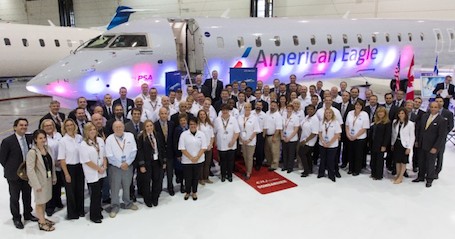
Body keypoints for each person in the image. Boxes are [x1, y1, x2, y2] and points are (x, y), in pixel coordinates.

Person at [0, 118, 38, 229]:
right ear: (15, 127)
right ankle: (16, 218)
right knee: (15, 197)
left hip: (27, 174)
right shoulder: (7, 141)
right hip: (13, 175)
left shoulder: (29, 138)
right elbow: (2, 159)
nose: (24, 127)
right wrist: (11, 168)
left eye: (26, 125)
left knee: (27, 195)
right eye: (21, 125)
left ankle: (27, 213)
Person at [105, 121, 138, 218]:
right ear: (113, 129)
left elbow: (134, 150)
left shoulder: (130, 136)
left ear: (123, 127)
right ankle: (115, 206)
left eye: (120, 127)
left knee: (127, 185)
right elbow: (109, 155)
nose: (119, 129)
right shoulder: (109, 139)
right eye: (116, 127)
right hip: (115, 167)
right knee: (115, 187)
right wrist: (120, 164)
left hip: (128, 165)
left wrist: (127, 162)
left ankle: (128, 203)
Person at [26, 129, 57, 231]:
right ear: (35, 139)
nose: (43, 140)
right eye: (40, 138)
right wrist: (36, 184)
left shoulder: (47, 149)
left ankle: (42, 217)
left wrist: (53, 177)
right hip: (39, 182)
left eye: (44, 137)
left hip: (47, 180)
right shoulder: (32, 152)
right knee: (39, 202)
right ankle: (42, 222)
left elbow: (51, 165)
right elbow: (30, 170)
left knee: (44, 200)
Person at [413, 102, 447, 187]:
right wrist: (417, 140)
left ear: (438, 108)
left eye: (435, 107)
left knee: (430, 163)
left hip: (432, 146)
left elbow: (441, 136)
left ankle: (429, 179)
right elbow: (419, 129)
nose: (433, 109)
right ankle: (420, 176)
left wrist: (435, 147)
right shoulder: (424, 116)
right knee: (421, 161)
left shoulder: (441, 120)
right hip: (421, 144)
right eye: (431, 107)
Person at [79, 123, 107, 224]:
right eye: (90, 130)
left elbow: (104, 154)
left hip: (101, 171)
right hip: (92, 173)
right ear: (86, 132)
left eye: (94, 129)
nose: (93, 131)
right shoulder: (83, 145)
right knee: (95, 194)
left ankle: (98, 209)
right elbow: (86, 160)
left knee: (99, 193)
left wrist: (104, 165)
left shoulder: (100, 140)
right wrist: (98, 168)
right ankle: (94, 216)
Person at [58, 119, 85, 220]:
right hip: (69, 168)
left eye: (71, 125)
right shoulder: (63, 141)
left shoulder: (79, 138)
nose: (70, 127)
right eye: (67, 125)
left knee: (80, 189)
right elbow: (62, 159)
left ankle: (80, 210)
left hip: (79, 167)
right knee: (70, 192)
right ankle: (73, 213)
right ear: (64, 128)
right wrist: (66, 174)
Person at [136, 120, 165, 207]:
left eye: (151, 125)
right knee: (147, 182)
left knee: (157, 180)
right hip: (147, 163)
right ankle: (147, 199)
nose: (149, 128)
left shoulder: (158, 135)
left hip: (157, 161)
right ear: (144, 127)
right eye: (147, 126)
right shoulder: (141, 137)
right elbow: (140, 151)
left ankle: (155, 198)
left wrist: (164, 161)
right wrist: (142, 165)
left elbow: (162, 148)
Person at [178, 118, 207, 200]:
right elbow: (182, 148)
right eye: (191, 124)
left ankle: (194, 192)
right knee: (188, 177)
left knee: (195, 177)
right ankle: (187, 192)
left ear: (197, 125)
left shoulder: (201, 134)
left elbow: (204, 147)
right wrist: (191, 158)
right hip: (187, 161)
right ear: (188, 125)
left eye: (194, 124)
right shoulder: (184, 134)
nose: (192, 126)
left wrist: (197, 157)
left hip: (199, 160)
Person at [40, 119, 63, 216]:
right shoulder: (42, 138)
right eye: (46, 126)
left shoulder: (58, 135)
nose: (49, 127)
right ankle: (50, 206)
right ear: (43, 127)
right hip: (49, 166)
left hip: (60, 164)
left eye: (50, 125)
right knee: (50, 186)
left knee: (58, 184)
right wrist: (54, 162)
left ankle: (58, 201)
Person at [214, 104, 240, 182]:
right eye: (223, 110)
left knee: (230, 160)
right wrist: (216, 143)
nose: (224, 111)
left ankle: (229, 175)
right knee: (222, 160)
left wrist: (233, 141)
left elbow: (237, 132)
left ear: (228, 111)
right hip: (221, 144)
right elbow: (215, 132)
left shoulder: (233, 119)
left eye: (226, 110)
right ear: (221, 111)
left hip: (231, 144)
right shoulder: (217, 120)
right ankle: (223, 175)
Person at [345, 99, 370, 176]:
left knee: (358, 154)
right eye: (356, 105)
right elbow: (347, 125)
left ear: (362, 106)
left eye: (359, 105)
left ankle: (357, 169)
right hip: (350, 137)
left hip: (360, 138)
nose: (358, 106)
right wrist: (348, 134)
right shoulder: (350, 113)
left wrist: (355, 136)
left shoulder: (365, 114)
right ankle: (351, 168)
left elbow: (364, 128)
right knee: (350, 153)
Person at [391, 108, 415, 184]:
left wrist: (409, 147)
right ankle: (397, 175)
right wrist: (392, 144)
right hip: (396, 143)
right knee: (397, 161)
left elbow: (412, 136)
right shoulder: (395, 122)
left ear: (405, 114)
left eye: (402, 113)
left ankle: (401, 176)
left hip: (405, 145)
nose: (400, 115)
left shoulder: (410, 124)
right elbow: (393, 134)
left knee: (403, 161)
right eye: (399, 113)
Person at [154, 108, 175, 195]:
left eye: (165, 113)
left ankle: (170, 187)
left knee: (170, 173)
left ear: (168, 114)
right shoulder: (154, 125)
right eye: (162, 113)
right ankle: (158, 189)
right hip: (160, 154)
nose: (163, 115)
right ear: (159, 114)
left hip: (170, 153)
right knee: (160, 174)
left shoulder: (172, 124)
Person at [238, 103, 261, 179]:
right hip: (242, 140)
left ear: (251, 108)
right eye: (245, 107)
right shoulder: (240, 117)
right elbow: (237, 129)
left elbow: (256, 130)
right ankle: (247, 169)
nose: (247, 108)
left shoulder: (254, 118)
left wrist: (250, 139)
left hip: (251, 141)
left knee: (249, 157)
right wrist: (241, 139)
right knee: (245, 156)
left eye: (248, 107)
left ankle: (248, 172)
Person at [318, 108, 342, 182]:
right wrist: (322, 141)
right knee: (322, 159)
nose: (328, 114)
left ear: (332, 114)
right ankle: (321, 173)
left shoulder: (336, 122)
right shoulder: (322, 122)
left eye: (329, 113)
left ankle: (331, 175)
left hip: (332, 145)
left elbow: (337, 134)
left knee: (331, 160)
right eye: (326, 113)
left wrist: (329, 143)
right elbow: (320, 133)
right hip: (322, 144)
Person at [369, 107, 391, 180]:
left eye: (382, 112)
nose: (380, 113)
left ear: (385, 113)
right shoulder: (375, 121)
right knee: (373, 159)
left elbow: (387, 135)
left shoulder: (387, 123)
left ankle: (378, 175)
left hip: (381, 144)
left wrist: (384, 145)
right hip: (373, 143)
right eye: (379, 112)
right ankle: (373, 173)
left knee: (379, 160)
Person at [298, 104, 319, 177]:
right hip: (303, 139)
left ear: (314, 110)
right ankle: (310, 169)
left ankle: (306, 171)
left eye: (311, 109)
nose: (309, 111)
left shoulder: (315, 119)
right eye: (308, 109)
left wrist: (306, 140)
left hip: (309, 141)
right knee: (308, 155)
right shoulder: (307, 117)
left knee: (301, 153)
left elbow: (314, 133)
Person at [197, 110, 215, 185]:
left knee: (207, 163)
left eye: (203, 114)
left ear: (206, 115)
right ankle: (200, 179)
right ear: (199, 116)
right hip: (201, 148)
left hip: (209, 147)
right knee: (201, 163)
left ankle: (206, 177)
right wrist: (203, 147)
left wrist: (210, 144)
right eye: (201, 114)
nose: (202, 116)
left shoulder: (209, 125)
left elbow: (212, 136)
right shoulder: (197, 125)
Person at [264, 101, 283, 171]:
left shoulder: (278, 115)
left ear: (277, 106)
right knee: (267, 150)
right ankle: (269, 162)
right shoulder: (267, 113)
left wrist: (275, 136)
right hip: (267, 135)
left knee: (275, 151)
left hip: (274, 136)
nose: (272, 107)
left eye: (274, 106)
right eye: (271, 105)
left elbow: (278, 128)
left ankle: (274, 165)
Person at [281, 104, 300, 173]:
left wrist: (289, 138)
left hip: (292, 139)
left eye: (290, 108)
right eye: (288, 108)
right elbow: (281, 127)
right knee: (285, 153)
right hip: (284, 137)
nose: (289, 110)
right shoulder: (283, 116)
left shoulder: (295, 117)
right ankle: (285, 166)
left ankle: (290, 167)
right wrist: (282, 136)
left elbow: (296, 129)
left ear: (292, 109)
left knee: (291, 154)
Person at [173, 114, 189, 193]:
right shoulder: (177, 129)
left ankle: (188, 184)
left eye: (184, 120)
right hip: (181, 153)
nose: (183, 122)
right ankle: (182, 184)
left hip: (189, 152)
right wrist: (178, 154)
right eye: (181, 120)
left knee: (188, 170)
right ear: (179, 122)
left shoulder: (189, 128)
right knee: (181, 170)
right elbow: (175, 143)